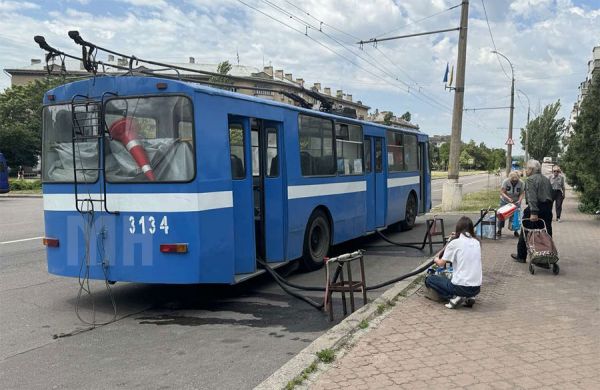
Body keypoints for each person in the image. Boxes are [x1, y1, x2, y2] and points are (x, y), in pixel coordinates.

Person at [424, 216, 482, 309]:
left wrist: (435, 259)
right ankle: (469, 297)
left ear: (458, 228)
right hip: (476, 288)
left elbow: (441, 263)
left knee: (430, 279)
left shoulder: (455, 243)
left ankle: (455, 297)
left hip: (460, 287)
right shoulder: (477, 242)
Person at [511, 159, 553, 263]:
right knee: (546, 233)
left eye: (526, 168)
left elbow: (531, 197)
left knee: (526, 231)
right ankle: (547, 255)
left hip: (535, 209)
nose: (525, 170)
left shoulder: (530, 180)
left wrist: (534, 212)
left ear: (531, 169)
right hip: (547, 209)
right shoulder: (546, 179)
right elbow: (551, 195)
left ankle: (521, 256)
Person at [497, 171, 524, 237]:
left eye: (516, 180)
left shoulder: (521, 183)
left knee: (515, 217)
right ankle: (499, 230)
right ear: (510, 179)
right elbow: (502, 192)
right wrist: (508, 198)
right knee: (501, 216)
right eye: (512, 180)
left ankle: (515, 231)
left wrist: (520, 200)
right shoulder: (506, 181)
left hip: (515, 202)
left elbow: (522, 193)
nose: (514, 182)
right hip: (505, 201)